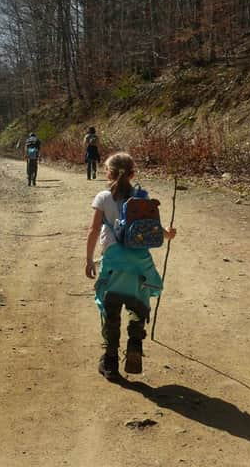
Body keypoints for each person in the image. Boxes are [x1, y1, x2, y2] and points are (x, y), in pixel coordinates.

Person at [85, 152, 177, 381]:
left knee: (111, 309)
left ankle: (110, 361)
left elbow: (94, 230)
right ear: (133, 173)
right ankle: (135, 346)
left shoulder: (104, 197)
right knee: (137, 307)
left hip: (114, 262)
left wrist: (88, 259)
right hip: (139, 263)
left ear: (108, 173)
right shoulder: (142, 197)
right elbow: (156, 230)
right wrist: (169, 234)